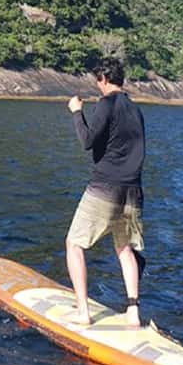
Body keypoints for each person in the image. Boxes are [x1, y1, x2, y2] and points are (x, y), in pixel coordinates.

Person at [65, 57, 146, 328]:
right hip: (133, 191)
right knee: (125, 249)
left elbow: (87, 141)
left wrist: (77, 112)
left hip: (105, 188)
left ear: (103, 79)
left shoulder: (106, 103)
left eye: (97, 82)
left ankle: (83, 312)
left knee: (74, 244)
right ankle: (133, 313)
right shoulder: (135, 110)